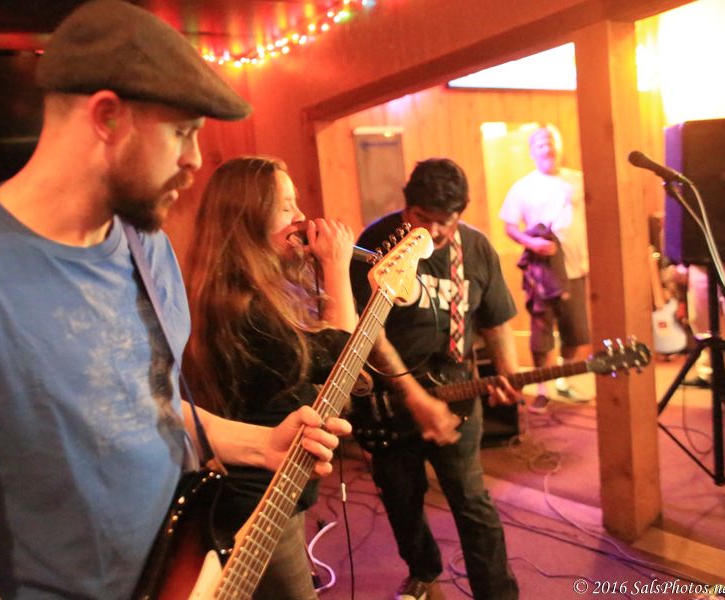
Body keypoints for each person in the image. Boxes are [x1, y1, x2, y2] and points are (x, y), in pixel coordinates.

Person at [0, 2, 349, 598]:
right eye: (182, 132)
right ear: (107, 117)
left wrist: (257, 443)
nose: (195, 160)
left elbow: (146, 406)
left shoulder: (149, 250)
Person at [183, 156, 357, 599]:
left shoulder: (256, 291)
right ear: (247, 219)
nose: (301, 217)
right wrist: (337, 267)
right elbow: (344, 360)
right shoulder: (242, 307)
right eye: (285, 206)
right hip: (258, 502)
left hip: (273, 488)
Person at [350, 158, 521, 600]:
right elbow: (367, 332)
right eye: (423, 218)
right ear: (407, 206)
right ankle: (423, 573)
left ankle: (497, 593)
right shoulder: (375, 243)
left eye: (446, 221)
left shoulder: (476, 248)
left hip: (457, 395)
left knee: (472, 500)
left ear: (460, 214)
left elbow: (497, 321)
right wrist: (413, 396)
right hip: (389, 401)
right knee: (401, 499)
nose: (434, 231)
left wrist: (509, 375)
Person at [499, 124, 590, 412]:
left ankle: (563, 378)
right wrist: (532, 243)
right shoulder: (523, 187)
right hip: (544, 271)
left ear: (560, 147)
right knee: (542, 330)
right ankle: (542, 388)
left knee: (575, 330)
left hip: (576, 268)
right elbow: (510, 226)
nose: (547, 148)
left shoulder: (579, 180)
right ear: (532, 152)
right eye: (540, 144)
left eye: (551, 142)